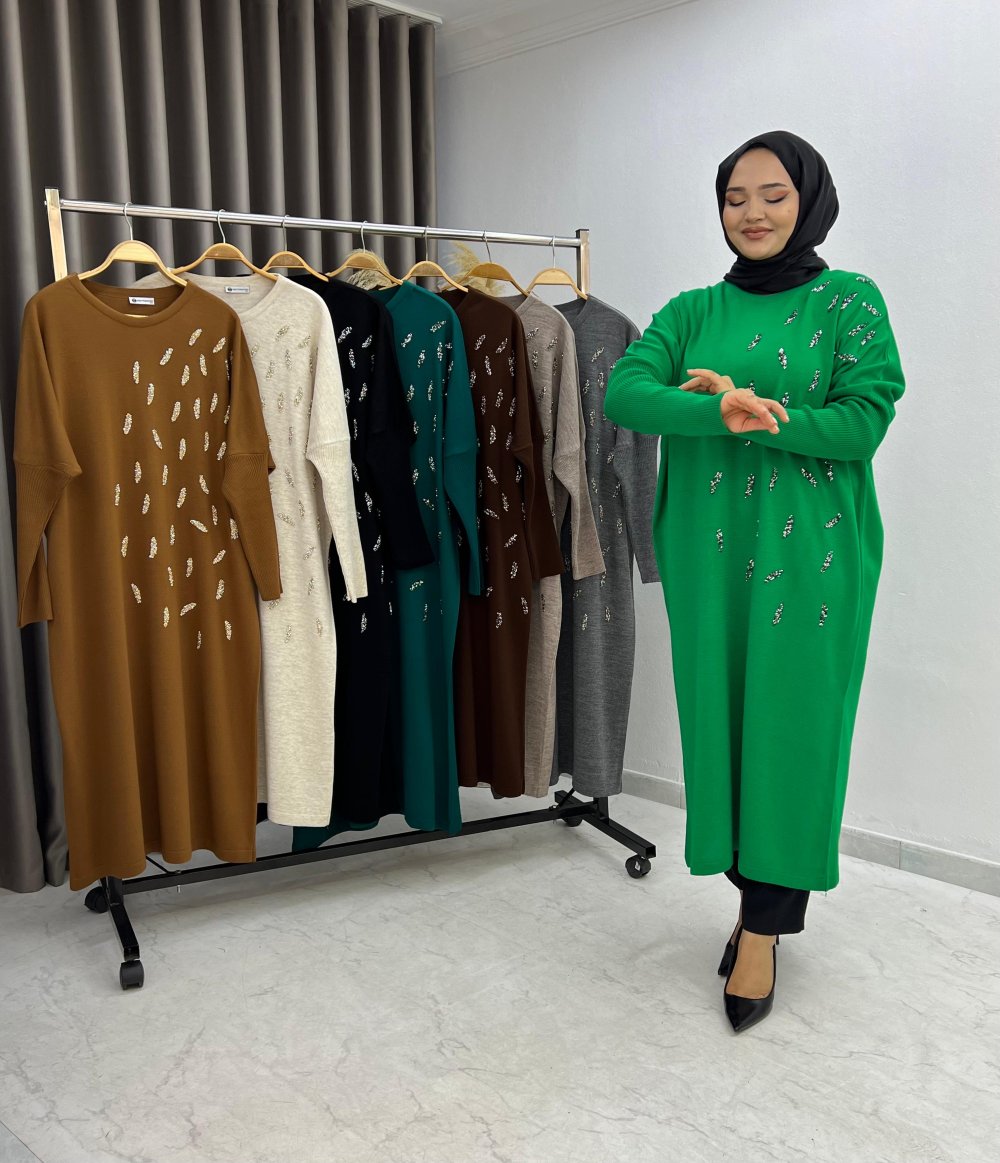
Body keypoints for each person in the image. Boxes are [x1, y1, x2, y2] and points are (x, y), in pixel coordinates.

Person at [604, 131, 905, 1033]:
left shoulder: (849, 301)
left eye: (774, 194)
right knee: (726, 726)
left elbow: (863, 420)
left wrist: (758, 416)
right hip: (709, 552)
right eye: (736, 197)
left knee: (791, 731)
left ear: (809, 200)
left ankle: (764, 929)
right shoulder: (693, 311)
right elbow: (625, 393)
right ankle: (749, 902)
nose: (754, 213)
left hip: (813, 556)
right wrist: (712, 407)